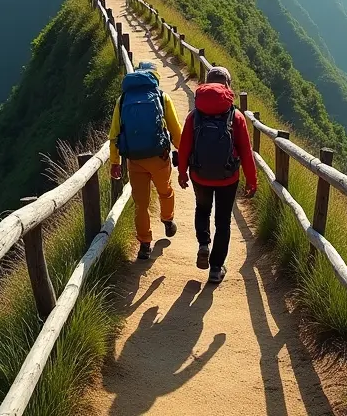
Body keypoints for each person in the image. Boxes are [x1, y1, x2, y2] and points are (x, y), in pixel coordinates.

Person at [177, 66, 258, 284]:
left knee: (202, 209)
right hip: (228, 177)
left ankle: (204, 243)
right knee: (223, 221)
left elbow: (184, 146)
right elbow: (245, 152)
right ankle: (215, 268)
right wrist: (252, 180)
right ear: (228, 86)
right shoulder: (236, 116)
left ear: (206, 83)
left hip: (200, 175)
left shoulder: (194, 116)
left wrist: (182, 172)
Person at [110, 61, 183, 260]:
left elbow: (114, 134)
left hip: (134, 159)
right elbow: (176, 131)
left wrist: (115, 162)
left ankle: (144, 244)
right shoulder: (161, 96)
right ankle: (167, 220)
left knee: (140, 203)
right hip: (158, 157)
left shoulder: (123, 99)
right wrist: (183, 153)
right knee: (165, 190)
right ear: (155, 76)